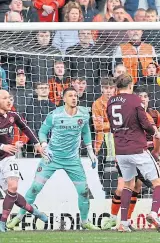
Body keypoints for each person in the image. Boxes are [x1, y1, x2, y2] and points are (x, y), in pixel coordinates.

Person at [7, 88, 100, 231]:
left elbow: (86, 131)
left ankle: (85, 221)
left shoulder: (83, 114)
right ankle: (18, 218)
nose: (74, 98)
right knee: (35, 188)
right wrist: (44, 145)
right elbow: (43, 131)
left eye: (75, 96)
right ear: (64, 99)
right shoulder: (55, 115)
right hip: (52, 157)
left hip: (72, 160)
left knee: (83, 191)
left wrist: (90, 152)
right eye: (70, 96)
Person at [103, 87, 160, 232]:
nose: (143, 99)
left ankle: (124, 221)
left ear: (148, 99)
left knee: (131, 186)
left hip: (124, 152)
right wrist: (156, 153)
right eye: (140, 96)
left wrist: (159, 153)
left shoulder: (154, 114)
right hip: (141, 152)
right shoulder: (141, 114)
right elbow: (155, 135)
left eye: (145, 96)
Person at [106, 73, 160, 233]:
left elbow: (112, 126)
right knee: (159, 183)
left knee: (128, 185)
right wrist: (155, 132)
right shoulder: (134, 100)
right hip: (137, 148)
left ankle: (124, 223)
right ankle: (154, 213)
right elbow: (145, 123)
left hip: (120, 150)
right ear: (131, 85)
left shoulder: (110, 102)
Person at [0, 90, 47, 232]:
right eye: (5, 98)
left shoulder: (12, 115)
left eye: (10, 98)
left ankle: (2, 222)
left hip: (7, 158)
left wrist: (37, 143)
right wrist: (2, 146)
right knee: (10, 193)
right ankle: (35, 211)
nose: (9, 101)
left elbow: (25, 128)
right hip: (3, 151)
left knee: (13, 187)